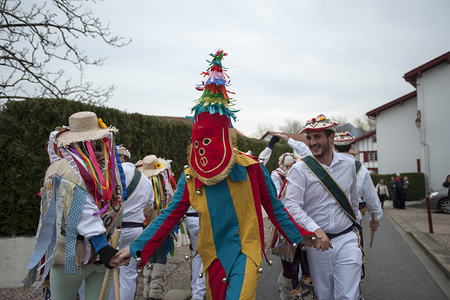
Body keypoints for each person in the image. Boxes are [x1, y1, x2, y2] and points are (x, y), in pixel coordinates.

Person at [114, 49, 315, 299]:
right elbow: (168, 216)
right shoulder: (190, 177)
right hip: (212, 256)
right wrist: (134, 248)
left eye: (208, 141)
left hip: (246, 252)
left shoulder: (251, 169)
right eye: (197, 142)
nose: (202, 150)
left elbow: (275, 209)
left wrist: (302, 236)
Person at [23, 111, 123, 300]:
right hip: (93, 253)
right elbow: (88, 210)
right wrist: (104, 246)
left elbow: (83, 211)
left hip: (74, 257)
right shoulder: (106, 166)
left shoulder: (60, 169)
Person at [283, 114, 365, 300]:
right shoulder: (300, 169)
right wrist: (315, 230)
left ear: (331, 137)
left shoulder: (349, 165)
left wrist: (356, 229)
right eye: (309, 138)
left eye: (317, 136)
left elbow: (353, 200)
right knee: (324, 294)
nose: (312, 142)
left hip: (346, 239)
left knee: (348, 296)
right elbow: (292, 206)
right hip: (317, 244)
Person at [107, 146, 155, 300]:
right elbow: (150, 204)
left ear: (121, 158)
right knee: (129, 274)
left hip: (114, 230)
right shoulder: (146, 180)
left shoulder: (113, 175)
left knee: (110, 271)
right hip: (135, 230)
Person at [333, 131, 383, 223]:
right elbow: (371, 195)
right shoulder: (361, 169)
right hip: (354, 215)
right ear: (351, 147)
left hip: (330, 216)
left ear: (334, 148)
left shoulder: (327, 166)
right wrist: (375, 218)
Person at [185, 205, 207, 300]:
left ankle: (194, 290)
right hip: (204, 216)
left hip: (190, 217)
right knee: (206, 255)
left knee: (196, 254)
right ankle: (198, 293)